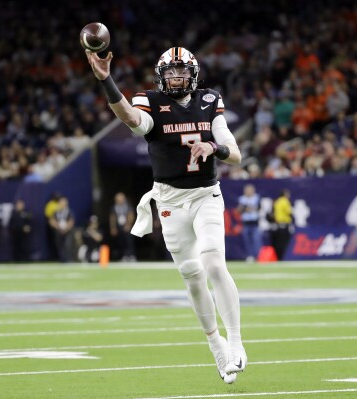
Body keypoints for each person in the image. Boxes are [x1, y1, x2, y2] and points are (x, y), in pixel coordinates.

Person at [86, 46, 246, 384]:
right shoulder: (150, 101)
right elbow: (131, 119)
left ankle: (236, 342)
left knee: (215, 262)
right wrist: (106, 80)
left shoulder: (209, 100)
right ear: (162, 76)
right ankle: (216, 346)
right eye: (170, 73)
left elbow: (235, 153)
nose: (176, 77)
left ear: (193, 75)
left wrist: (213, 147)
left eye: (181, 72)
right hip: (169, 199)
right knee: (192, 275)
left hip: (206, 194)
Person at [237, 184, 262, 262]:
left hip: (254, 223)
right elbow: (239, 210)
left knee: (256, 240)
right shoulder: (242, 199)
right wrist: (245, 209)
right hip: (246, 223)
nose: (248, 192)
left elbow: (259, 208)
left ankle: (257, 255)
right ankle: (250, 255)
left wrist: (249, 208)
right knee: (247, 241)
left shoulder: (256, 198)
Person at [109, 192, 136, 261]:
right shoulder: (114, 207)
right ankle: (123, 255)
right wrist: (113, 227)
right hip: (119, 226)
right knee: (120, 242)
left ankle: (131, 255)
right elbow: (112, 218)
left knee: (129, 241)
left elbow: (131, 215)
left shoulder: (128, 206)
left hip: (127, 226)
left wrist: (128, 225)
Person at [49, 196, 75, 262]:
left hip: (68, 231)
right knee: (59, 245)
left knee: (68, 245)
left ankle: (69, 260)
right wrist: (58, 227)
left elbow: (71, 221)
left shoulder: (69, 211)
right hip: (59, 231)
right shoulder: (56, 212)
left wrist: (66, 229)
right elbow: (52, 220)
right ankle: (62, 259)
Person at [271, 189, 293, 260]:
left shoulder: (277, 201)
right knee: (284, 243)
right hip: (284, 224)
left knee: (278, 243)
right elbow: (289, 212)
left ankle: (278, 257)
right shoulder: (285, 201)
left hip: (277, 225)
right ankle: (282, 257)